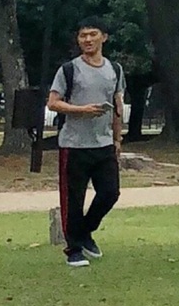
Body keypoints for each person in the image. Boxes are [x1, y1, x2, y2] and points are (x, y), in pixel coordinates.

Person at [48, 25, 124, 267]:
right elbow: (53, 103)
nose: (88, 39)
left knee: (110, 193)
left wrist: (117, 139)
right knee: (73, 198)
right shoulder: (69, 70)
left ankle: (84, 232)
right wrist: (81, 110)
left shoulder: (115, 69)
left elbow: (117, 107)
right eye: (83, 35)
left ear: (104, 37)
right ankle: (74, 249)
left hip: (103, 144)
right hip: (74, 145)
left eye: (93, 34)